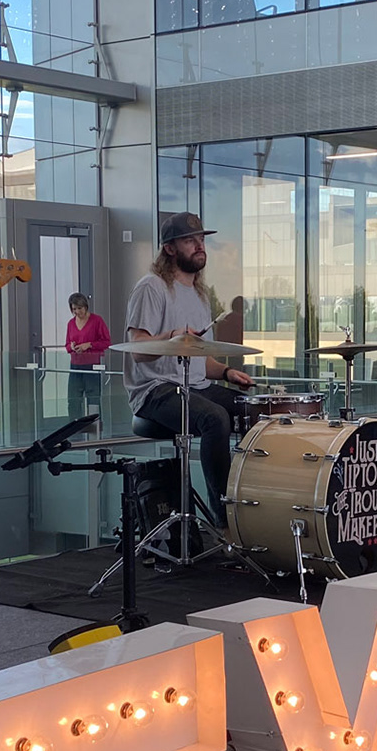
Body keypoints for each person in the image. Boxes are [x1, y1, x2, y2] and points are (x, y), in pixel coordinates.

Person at [123, 213, 253, 526]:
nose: (199, 246)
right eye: (189, 240)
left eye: (202, 240)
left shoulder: (199, 294)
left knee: (253, 411)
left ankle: (253, 507)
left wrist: (226, 373)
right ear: (170, 248)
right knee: (214, 418)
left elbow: (199, 360)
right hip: (155, 390)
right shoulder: (152, 288)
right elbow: (137, 350)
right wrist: (171, 336)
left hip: (195, 386)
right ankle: (225, 519)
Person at [65, 291, 110, 418]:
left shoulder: (97, 321)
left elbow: (106, 342)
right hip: (75, 366)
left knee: (93, 400)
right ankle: (74, 427)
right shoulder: (71, 323)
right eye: (74, 309)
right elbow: (67, 345)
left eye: (79, 308)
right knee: (73, 400)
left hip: (92, 366)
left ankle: (94, 427)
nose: (77, 312)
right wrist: (72, 347)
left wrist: (89, 345)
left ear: (85, 307)